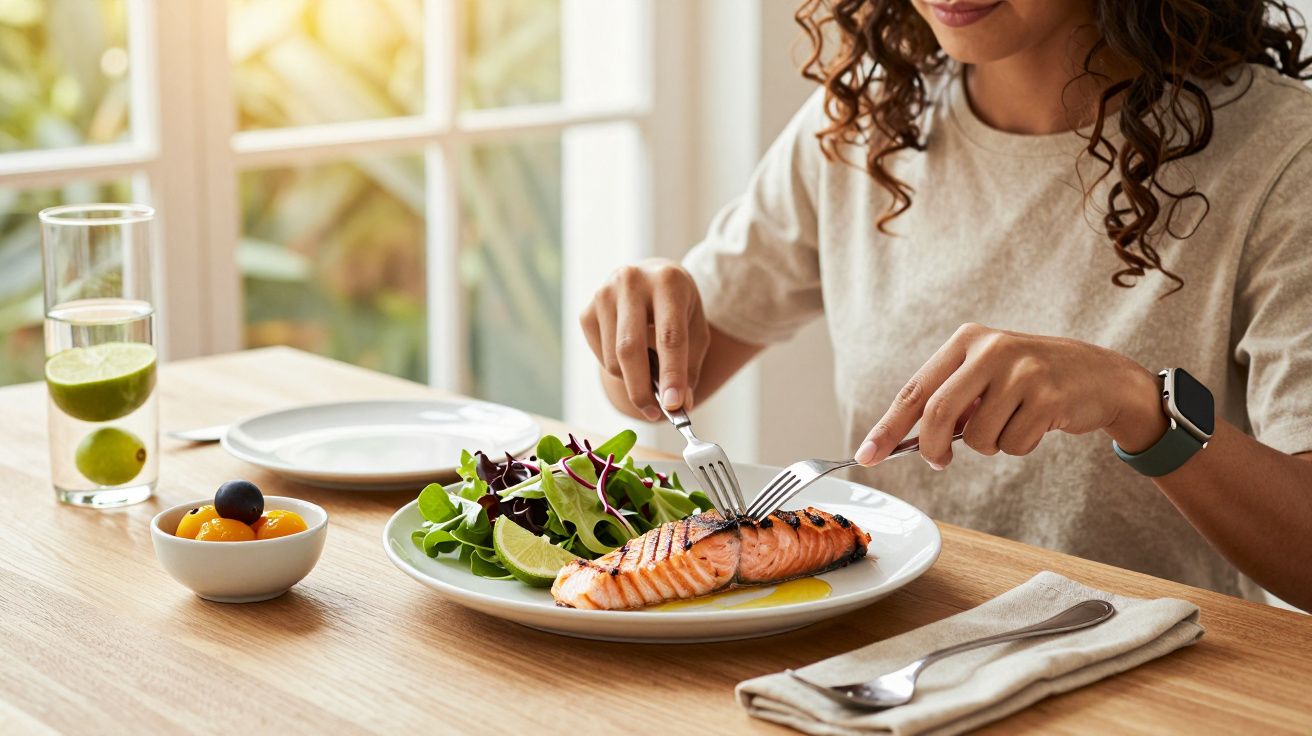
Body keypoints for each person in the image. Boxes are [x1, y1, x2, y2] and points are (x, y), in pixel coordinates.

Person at [579, 0, 1312, 609]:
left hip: (1153, 687)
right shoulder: (865, 118)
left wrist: (1139, 406)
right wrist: (640, 318)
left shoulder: (1284, 156)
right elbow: (652, 390)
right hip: (881, 665)